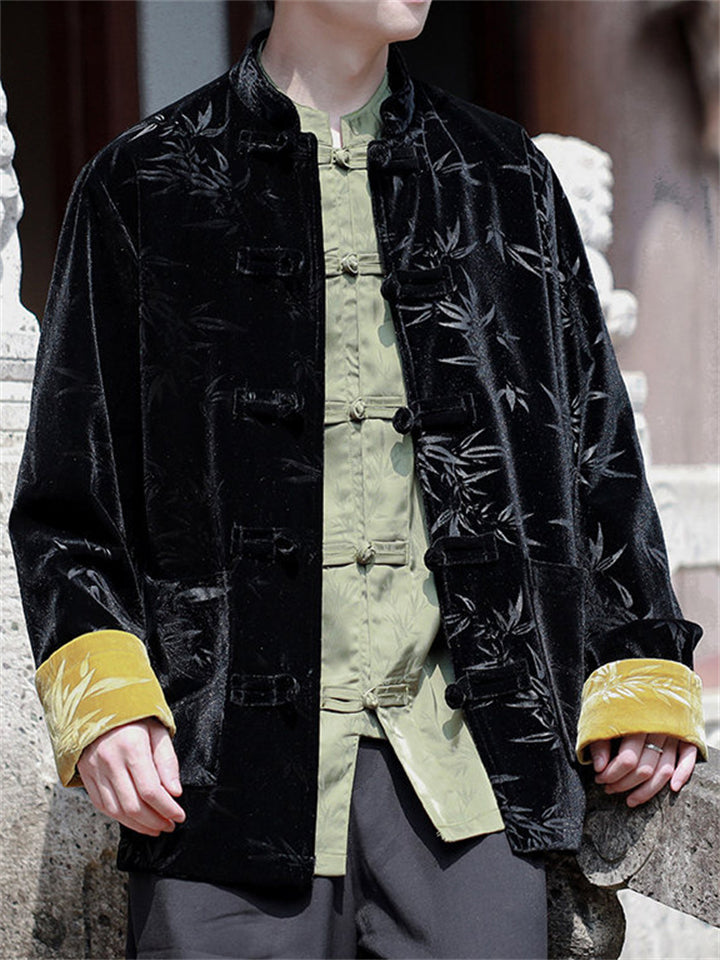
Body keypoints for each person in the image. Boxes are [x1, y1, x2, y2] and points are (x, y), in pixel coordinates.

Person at [8, 1, 707, 957]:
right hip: (217, 790)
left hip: (469, 788)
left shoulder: (504, 178)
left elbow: (598, 455)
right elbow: (67, 503)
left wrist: (639, 664)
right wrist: (107, 707)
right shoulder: (142, 185)